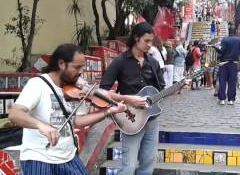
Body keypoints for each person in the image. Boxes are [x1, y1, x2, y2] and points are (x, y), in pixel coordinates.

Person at [8, 44, 127, 174]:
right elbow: (14, 113)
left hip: (68, 157)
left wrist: (107, 112)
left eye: (82, 67)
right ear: (61, 64)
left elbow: (77, 122)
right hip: (40, 159)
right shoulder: (37, 84)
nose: (81, 72)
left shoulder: (72, 89)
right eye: (76, 67)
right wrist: (41, 125)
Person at [99, 22, 165, 175]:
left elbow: (160, 89)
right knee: (128, 167)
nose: (150, 45)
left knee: (148, 164)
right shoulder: (120, 61)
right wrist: (128, 99)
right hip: (130, 119)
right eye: (146, 41)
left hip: (151, 119)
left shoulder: (153, 63)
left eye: (151, 41)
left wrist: (178, 86)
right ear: (136, 38)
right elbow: (102, 91)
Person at [213, 26, 240, 105]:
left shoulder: (225, 40)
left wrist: (215, 48)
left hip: (224, 63)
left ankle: (222, 99)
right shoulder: (239, 40)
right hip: (234, 63)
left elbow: (221, 51)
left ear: (228, 31)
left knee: (222, 81)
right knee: (232, 82)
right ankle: (231, 100)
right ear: (235, 31)